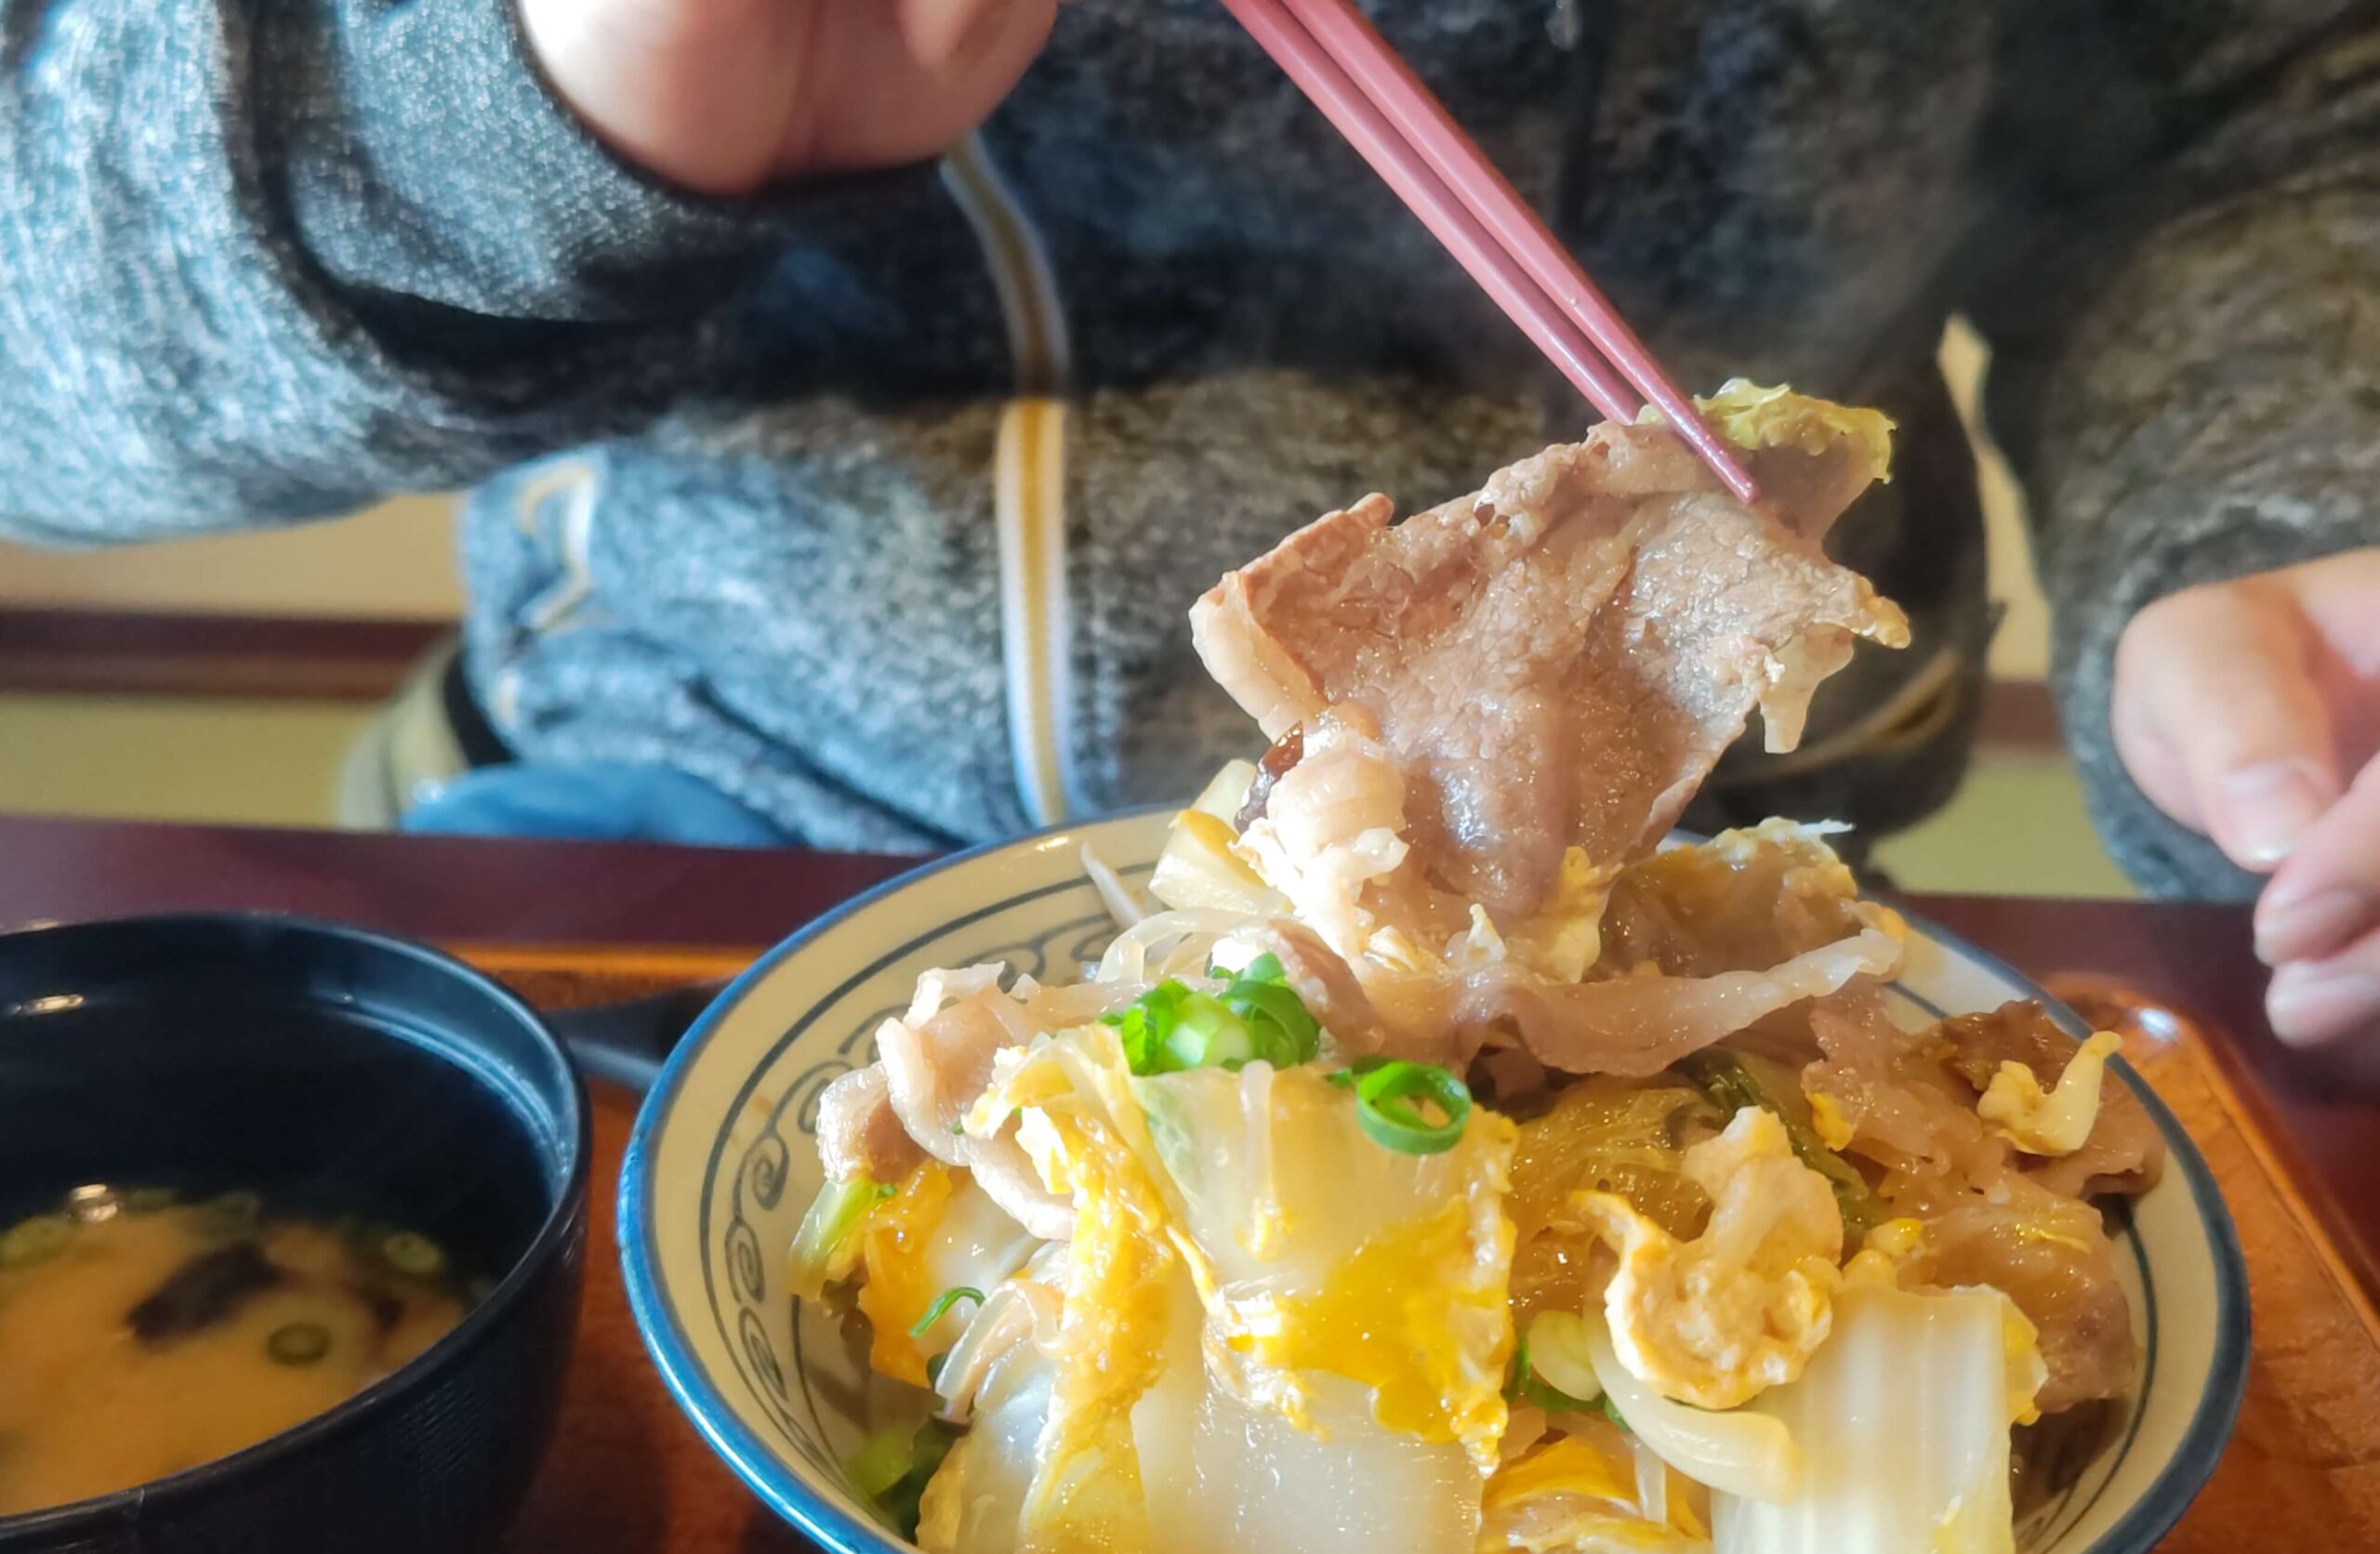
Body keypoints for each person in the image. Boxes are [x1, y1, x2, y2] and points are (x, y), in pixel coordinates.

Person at [0, 0, 2372, 1059]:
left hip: (1719, 902)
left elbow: (2255, 109)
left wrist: (2294, 512)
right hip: (669, 859)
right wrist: (521, 99)